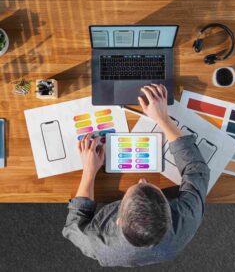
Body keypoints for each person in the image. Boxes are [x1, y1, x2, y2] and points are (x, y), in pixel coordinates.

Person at [62, 84, 210, 267]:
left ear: (118, 220)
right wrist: (163, 119)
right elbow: (196, 170)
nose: (142, 180)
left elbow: (74, 225)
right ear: (169, 213)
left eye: (138, 186)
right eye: (147, 184)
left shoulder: (97, 245)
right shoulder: (188, 220)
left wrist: (89, 171)